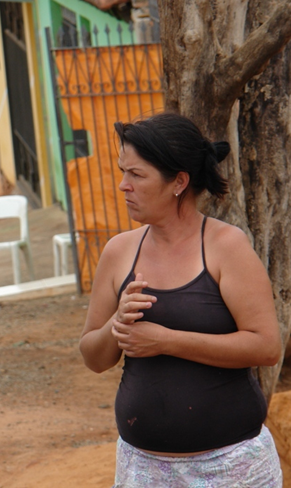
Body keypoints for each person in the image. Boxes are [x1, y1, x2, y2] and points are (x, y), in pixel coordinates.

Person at [78, 113, 283, 486]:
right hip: (142, 469)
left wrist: (166, 341)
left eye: (136, 175)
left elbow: (267, 346)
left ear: (179, 182)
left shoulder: (226, 247)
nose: (123, 186)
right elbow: (93, 357)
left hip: (232, 469)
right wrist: (117, 324)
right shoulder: (118, 252)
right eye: (123, 172)